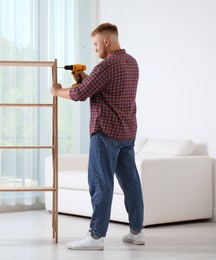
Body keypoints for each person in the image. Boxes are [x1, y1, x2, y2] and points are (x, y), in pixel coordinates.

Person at [51, 22, 144, 250]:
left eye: (95, 44)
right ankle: (136, 232)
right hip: (127, 133)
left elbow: (80, 94)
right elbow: (107, 89)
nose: (94, 49)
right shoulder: (132, 63)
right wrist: (86, 77)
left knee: (100, 184)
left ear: (106, 41)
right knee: (131, 183)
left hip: (105, 134)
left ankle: (95, 237)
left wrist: (56, 91)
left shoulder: (106, 66)